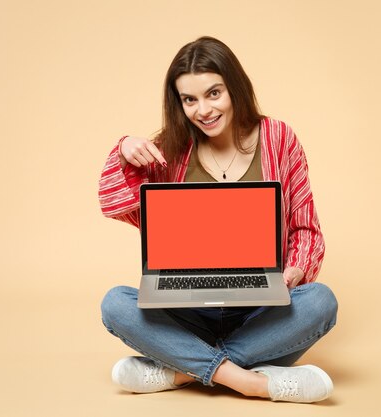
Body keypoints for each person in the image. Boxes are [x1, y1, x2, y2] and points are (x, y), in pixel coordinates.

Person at [98, 36, 338, 403]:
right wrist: (124, 151)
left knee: (320, 302)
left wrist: (295, 271)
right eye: (189, 99)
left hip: (259, 309)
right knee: (115, 303)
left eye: (214, 93)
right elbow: (118, 205)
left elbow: (305, 227)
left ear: (234, 88)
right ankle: (251, 381)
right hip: (185, 306)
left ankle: (179, 371)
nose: (203, 110)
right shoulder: (170, 148)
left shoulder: (280, 138)